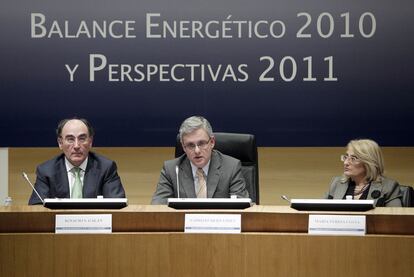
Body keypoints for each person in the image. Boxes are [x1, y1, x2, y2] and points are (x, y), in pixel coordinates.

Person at [151, 116, 249, 204]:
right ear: (184, 147)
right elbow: (157, 208)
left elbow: (242, 208)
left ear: (212, 142)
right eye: (190, 145)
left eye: (201, 143)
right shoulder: (171, 170)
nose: (197, 151)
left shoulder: (231, 167)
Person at [28, 118, 126, 204]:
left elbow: (117, 206)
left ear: (90, 142)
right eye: (70, 139)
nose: (76, 146)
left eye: (82, 139)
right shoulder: (46, 171)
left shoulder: (106, 168)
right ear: (60, 143)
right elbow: (37, 208)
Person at [325, 139, 402, 207]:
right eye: (346, 157)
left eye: (353, 158)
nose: (346, 162)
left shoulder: (388, 187)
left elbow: (396, 218)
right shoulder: (337, 183)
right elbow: (321, 212)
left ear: (369, 163)